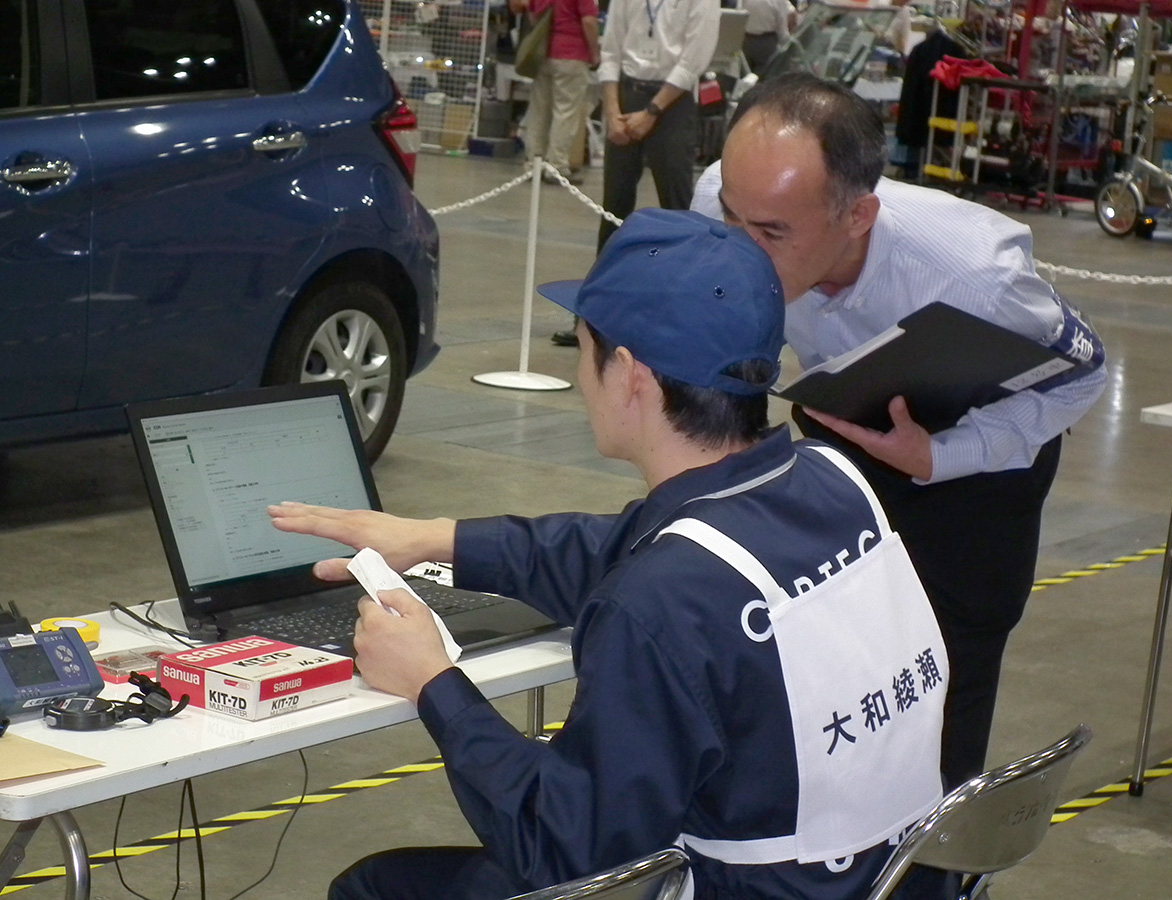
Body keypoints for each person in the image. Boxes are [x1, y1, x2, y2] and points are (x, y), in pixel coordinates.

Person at [270, 209, 951, 900]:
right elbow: (618, 548)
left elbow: (564, 856)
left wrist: (431, 682)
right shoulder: (831, 481)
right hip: (885, 879)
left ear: (629, 374)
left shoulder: (657, 600)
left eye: (584, 344)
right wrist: (435, 539)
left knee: (377, 889)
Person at [691, 73, 1107, 791]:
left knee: (944, 686)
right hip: (846, 419)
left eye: (771, 233)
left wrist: (941, 455)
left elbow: (1083, 372)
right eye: (733, 218)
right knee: (827, 656)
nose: (742, 250)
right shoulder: (729, 198)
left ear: (857, 217)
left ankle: (936, 870)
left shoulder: (974, 274)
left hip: (975, 468)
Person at [551, 0, 719, 348]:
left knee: (678, 211)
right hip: (626, 96)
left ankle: (676, 319)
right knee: (613, 211)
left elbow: (692, 62)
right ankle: (595, 316)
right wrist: (612, 111)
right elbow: (610, 51)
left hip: (672, 103)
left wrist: (652, 112)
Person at [510, 0, 600, 185]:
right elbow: (589, 22)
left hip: (544, 55)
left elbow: (534, 17)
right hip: (572, 55)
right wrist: (595, 53)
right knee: (565, 113)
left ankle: (533, 164)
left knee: (539, 111)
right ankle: (557, 166)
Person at [741, 0, 795, 76]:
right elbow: (782, 30)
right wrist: (790, 48)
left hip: (745, 40)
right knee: (765, 76)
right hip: (766, 43)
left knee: (745, 75)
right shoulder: (779, 1)